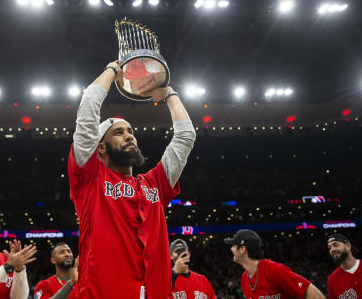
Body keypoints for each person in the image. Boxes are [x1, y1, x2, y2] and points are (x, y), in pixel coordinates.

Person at [68, 60, 196, 298]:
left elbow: (186, 137)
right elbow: (87, 114)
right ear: (101, 149)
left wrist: (169, 94)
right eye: (119, 132)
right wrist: (111, 70)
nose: (129, 136)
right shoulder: (90, 178)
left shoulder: (155, 183)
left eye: (131, 132)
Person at [224, 229, 325, 299]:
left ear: (242, 249)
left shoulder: (274, 270)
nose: (231, 249)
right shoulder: (244, 278)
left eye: (233, 245)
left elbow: (317, 296)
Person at [327, 234, 361, 299]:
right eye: (329, 248)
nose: (332, 250)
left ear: (348, 246)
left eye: (335, 245)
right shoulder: (332, 280)